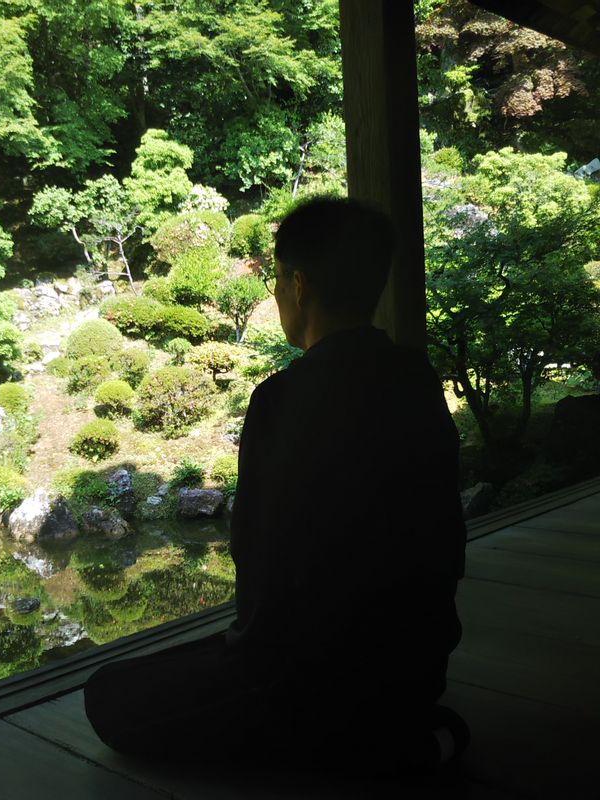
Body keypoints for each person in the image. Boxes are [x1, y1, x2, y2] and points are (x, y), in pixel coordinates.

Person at [83, 197, 469, 777]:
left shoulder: (283, 399)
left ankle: (325, 743)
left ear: (299, 284)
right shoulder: (415, 376)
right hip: (414, 666)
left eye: (278, 282)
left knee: (107, 693)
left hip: (306, 683)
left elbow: (258, 558)